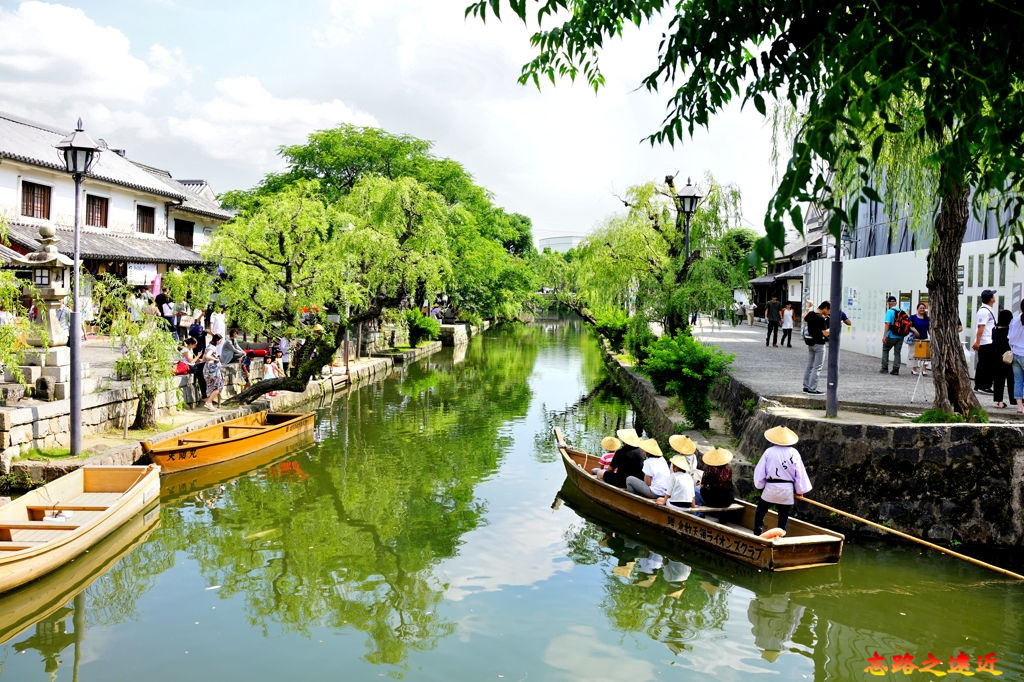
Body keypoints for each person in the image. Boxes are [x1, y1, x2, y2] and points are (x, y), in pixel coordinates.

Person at [752, 426, 813, 536]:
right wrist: (799, 490)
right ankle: (780, 536)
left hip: (771, 488)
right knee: (783, 514)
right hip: (787, 489)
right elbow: (799, 474)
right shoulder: (794, 453)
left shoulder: (769, 452)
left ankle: (757, 533)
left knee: (760, 511)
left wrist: (760, 485)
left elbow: (760, 471)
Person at [973, 289, 998, 394]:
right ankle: (983, 385)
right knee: (985, 364)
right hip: (986, 341)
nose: (994, 297)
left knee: (984, 363)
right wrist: (977, 342)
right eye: (993, 295)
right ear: (991, 298)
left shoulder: (987, 310)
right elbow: (981, 327)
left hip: (988, 340)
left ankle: (980, 385)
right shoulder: (984, 311)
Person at [802, 301, 830, 394]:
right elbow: (825, 333)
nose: (829, 313)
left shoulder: (811, 314)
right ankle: (812, 389)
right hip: (819, 344)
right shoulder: (821, 318)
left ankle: (806, 386)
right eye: (829, 310)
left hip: (810, 343)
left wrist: (808, 307)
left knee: (809, 366)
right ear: (825, 308)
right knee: (817, 367)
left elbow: (804, 319)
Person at [991, 309, 1014, 409]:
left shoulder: (994, 329)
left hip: (996, 356)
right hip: (1007, 356)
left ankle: (999, 402)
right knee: (1011, 378)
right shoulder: (1008, 330)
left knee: (998, 379)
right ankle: (1014, 399)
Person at [881, 295, 905, 375]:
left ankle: (884, 368)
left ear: (888, 303)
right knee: (897, 352)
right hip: (900, 336)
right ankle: (896, 369)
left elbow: (887, 324)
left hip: (891, 335)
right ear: (896, 303)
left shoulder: (889, 311)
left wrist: (884, 336)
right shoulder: (901, 311)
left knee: (885, 349)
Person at [1008, 301, 1024, 415]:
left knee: (1018, 381)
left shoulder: (1015, 320)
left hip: (1016, 354)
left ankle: (1019, 407)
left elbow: (1010, 337)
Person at [201, 335, 224, 411]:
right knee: (218, 386)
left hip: (206, 369)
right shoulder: (213, 348)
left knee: (210, 387)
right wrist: (215, 359)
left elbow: (204, 358)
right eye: (220, 340)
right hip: (214, 370)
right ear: (217, 340)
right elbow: (207, 356)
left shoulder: (208, 346)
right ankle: (208, 402)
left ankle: (209, 406)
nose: (220, 342)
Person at [181, 336, 207, 400]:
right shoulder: (185, 350)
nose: (195, 346)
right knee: (201, 374)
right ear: (191, 344)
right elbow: (191, 361)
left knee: (201, 375)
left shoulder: (190, 349)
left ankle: (205, 395)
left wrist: (199, 360)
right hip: (187, 367)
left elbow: (192, 360)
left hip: (192, 365)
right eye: (195, 345)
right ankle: (204, 395)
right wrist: (198, 356)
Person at [908, 302, 930, 375]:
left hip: (924, 338)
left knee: (925, 355)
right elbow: (909, 326)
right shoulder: (913, 317)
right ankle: (914, 369)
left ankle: (924, 370)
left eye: (923, 308)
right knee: (913, 354)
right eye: (921, 308)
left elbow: (929, 329)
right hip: (914, 339)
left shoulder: (927, 318)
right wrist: (915, 331)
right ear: (917, 309)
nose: (922, 309)